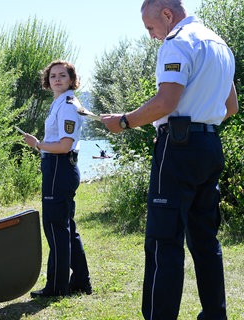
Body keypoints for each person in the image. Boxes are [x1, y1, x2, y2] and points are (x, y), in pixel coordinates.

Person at [100, 1, 239, 318]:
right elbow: (230, 107)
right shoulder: (219, 45)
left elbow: (166, 100)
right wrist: (198, 126)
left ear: (167, 15)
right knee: (205, 240)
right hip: (209, 146)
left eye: (150, 27)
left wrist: (124, 121)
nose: (151, 36)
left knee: (164, 241)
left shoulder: (177, 41)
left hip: (179, 151)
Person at [22, 60, 92, 298]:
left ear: (72, 79)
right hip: (58, 168)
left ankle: (57, 286)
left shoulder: (68, 106)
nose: (57, 79)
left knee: (55, 229)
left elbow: (64, 146)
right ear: (47, 80)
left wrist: (37, 144)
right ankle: (81, 281)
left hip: (59, 168)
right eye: (53, 76)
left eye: (63, 75)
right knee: (66, 228)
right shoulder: (60, 103)